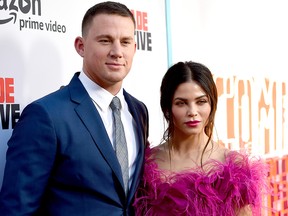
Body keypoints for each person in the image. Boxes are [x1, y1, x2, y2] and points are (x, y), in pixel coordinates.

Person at [0, 1, 149, 215]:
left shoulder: (139, 111)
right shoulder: (46, 115)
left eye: (125, 42)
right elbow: (17, 209)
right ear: (81, 46)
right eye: (105, 41)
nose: (117, 51)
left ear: (134, 48)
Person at [133, 61, 269, 215]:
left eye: (201, 102)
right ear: (167, 109)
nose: (192, 111)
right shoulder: (147, 162)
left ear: (212, 105)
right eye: (181, 103)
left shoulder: (232, 167)